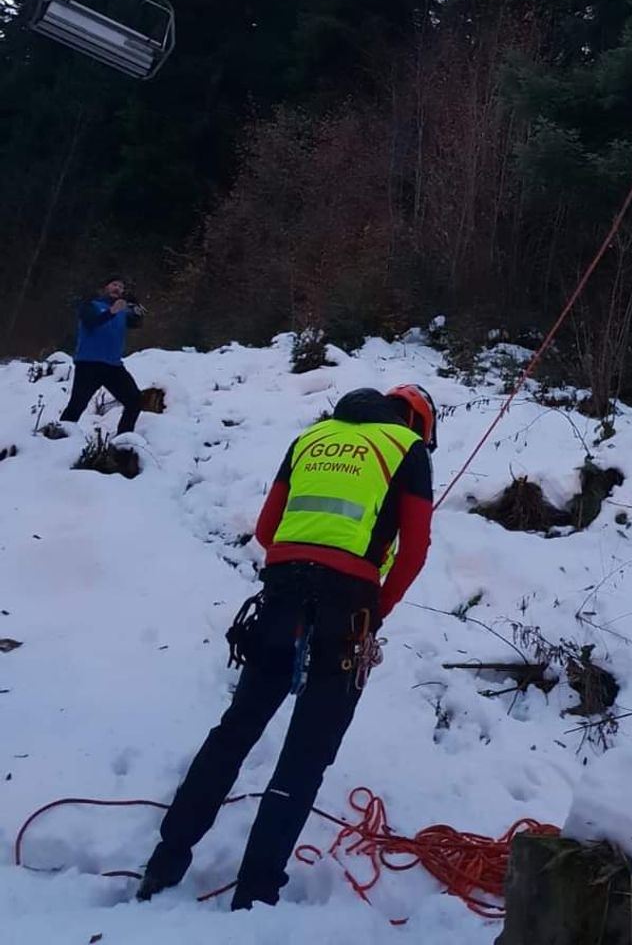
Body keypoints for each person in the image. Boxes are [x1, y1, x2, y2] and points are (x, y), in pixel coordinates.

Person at [137, 383, 437, 911]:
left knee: (236, 730)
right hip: (348, 606)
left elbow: (266, 528)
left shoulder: (310, 438)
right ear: (419, 424)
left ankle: (165, 862)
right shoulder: (406, 449)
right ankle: (254, 893)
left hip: (281, 595)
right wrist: (376, 607)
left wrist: (303, 565)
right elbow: (414, 551)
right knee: (306, 753)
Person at [57, 276, 145, 436]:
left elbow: (138, 323)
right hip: (89, 365)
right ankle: (58, 439)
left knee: (135, 401)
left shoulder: (122, 312)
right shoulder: (90, 305)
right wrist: (112, 312)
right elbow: (90, 322)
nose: (118, 288)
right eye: (114, 284)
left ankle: (122, 442)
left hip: (113, 367)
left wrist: (137, 308)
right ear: (105, 287)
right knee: (77, 405)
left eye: (121, 287)